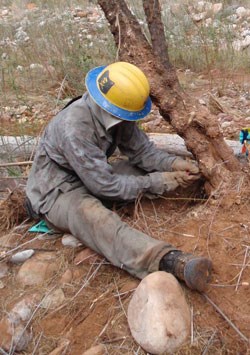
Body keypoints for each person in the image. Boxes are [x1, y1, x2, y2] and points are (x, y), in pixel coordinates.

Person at [26, 62, 212, 292]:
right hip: (57, 192)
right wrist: (160, 181)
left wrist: (174, 164)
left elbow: (142, 152)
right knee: (92, 216)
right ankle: (169, 261)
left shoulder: (114, 112)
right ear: (117, 109)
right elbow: (105, 186)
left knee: (141, 171)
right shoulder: (73, 127)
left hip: (92, 176)